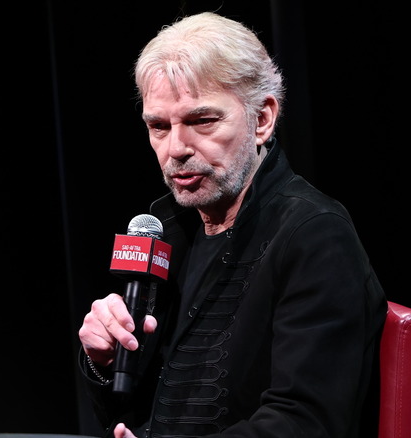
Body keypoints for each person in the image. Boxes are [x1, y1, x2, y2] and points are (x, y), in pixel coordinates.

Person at [77, 11, 387, 438]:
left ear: (262, 119)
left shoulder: (314, 234)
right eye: (159, 126)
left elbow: (305, 423)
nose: (176, 149)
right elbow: (129, 415)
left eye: (201, 121)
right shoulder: (167, 229)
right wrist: (106, 360)